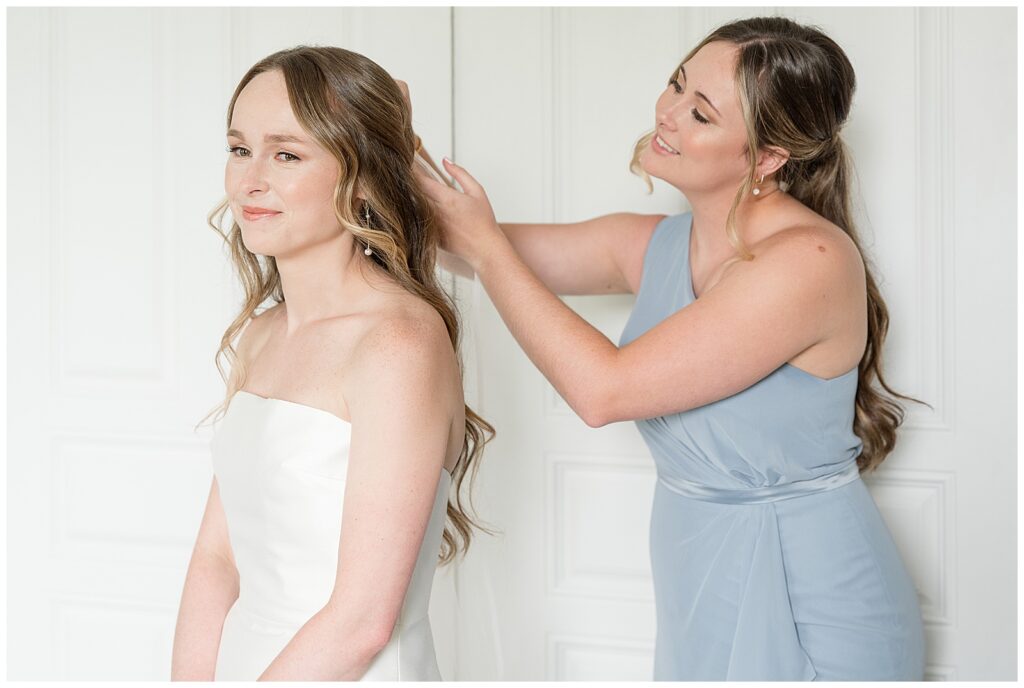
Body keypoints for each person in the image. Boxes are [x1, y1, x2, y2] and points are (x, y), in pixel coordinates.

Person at [416, 16, 926, 681]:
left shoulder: (811, 261)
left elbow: (604, 391)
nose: (668, 114)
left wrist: (485, 247)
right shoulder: (650, 244)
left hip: (811, 589)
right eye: (676, 85)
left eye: (702, 113)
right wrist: (387, 141)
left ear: (768, 157)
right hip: (697, 570)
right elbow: (459, 244)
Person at [170, 46, 492, 681]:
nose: (249, 181)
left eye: (287, 154)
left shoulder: (399, 344)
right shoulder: (262, 335)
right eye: (240, 149)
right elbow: (217, 557)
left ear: (363, 177)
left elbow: (364, 619)